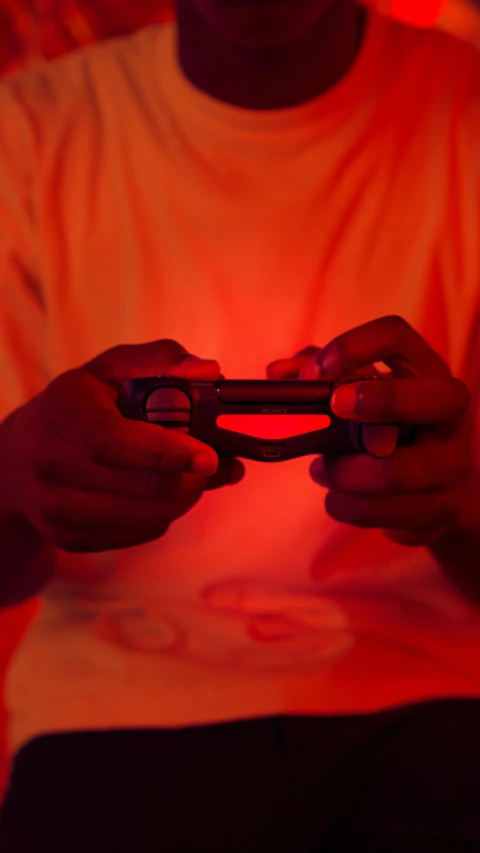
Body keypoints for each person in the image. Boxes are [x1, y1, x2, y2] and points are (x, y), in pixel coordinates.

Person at [0, 0, 479, 850]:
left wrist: (468, 496)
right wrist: (15, 476)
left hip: (435, 704)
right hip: (110, 711)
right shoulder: (27, 133)